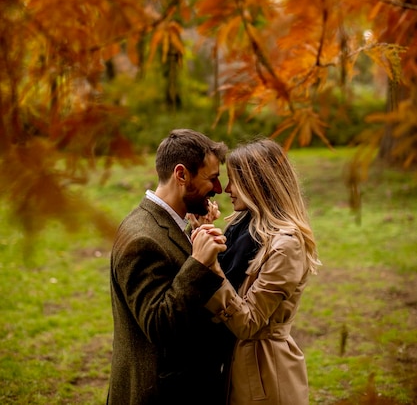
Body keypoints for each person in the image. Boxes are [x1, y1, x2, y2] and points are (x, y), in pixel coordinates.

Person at [194, 137, 321, 405]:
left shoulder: (286, 245)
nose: (226, 189)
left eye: (234, 181)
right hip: (238, 364)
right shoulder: (243, 227)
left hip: (265, 375)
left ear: (258, 182)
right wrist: (201, 233)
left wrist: (210, 265)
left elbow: (248, 323)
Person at [106, 128, 228, 405]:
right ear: (181, 175)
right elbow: (158, 324)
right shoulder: (140, 238)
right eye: (212, 178)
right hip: (162, 395)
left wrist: (199, 232)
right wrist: (198, 262)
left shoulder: (169, 223)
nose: (219, 189)